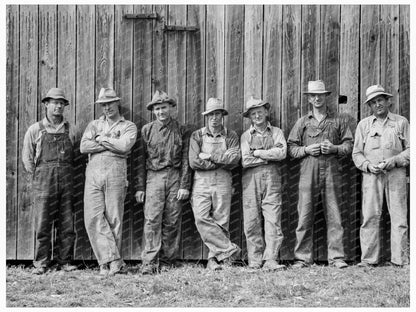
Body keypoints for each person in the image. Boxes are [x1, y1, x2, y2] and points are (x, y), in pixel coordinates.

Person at [287, 80, 353, 269]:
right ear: (309, 98)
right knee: (305, 215)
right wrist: (307, 150)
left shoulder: (339, 120)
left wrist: (334, 148)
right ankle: (302, 258)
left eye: (320, 95)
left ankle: (337, 257)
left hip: (332, 172)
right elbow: (291, 148)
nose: (317, 98)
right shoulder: (302, 122)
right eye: (313, 95)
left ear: (326, 97)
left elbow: (349, 145)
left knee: (334, 215)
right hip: (308, 172)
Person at [80, 87, 137, 276]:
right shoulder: (94, 124)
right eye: (103, 105)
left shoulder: (128, 126)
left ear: (117, 103)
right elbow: (83, 146)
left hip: (116, 173)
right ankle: (112, 259)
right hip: (94, 173)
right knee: (92, 216)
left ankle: (107, 265)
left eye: (109, 104)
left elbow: (124, 146)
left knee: (114, 218)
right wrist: (111, 143)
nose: (106, 108)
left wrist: (101, 139)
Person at [352, 85, 409, 267]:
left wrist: (395, 160)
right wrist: (367, 166)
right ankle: (369, 260)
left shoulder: (401, 122)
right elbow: (356, 153)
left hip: (396, 174)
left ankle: (400, 260)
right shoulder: (364, 125)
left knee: (399, 217)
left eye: (380, 100)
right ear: (370, 105)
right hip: (371, 176)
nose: (378, 104)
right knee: (369, 216)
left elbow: (411, 150)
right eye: (374, 102)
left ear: (387, 101)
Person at [135, 90, 191, 275]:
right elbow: (140, 160)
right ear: (153, 111)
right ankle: (149, 262)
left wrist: (184, 185)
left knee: (172, 219)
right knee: (152, 219)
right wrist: (140, 187)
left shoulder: (181, 130)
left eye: (164, 107)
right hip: (153, 177)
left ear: (171, 108)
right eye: (157, 109)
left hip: (174, 176)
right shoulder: (146, 130)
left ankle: (168, 261)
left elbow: (185, 161)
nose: (161, 112)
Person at [22, 87, 77, 274]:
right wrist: (38, 177)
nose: (58, 106)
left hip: (67, 182)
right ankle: (41, 263)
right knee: (42, 223)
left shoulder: (71, 130)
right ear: (46, 104)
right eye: (54, 103)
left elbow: (77, 156)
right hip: (44, 182)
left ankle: (65, 261)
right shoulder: (35, 129)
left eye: (61, 103)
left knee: (67, 223)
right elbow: (27, 159)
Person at [189, 98, 241, 271]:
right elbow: (194, 162)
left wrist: (210, 157)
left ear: (222, 116)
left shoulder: (231, 135)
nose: (214, 118)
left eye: (217, 114)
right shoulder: (197, 135)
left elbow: (233, 160)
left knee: (221, 220)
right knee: (201, 217)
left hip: (223, 180)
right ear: (206, 116)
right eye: (211, 114)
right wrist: (221, 160)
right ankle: (229, 250)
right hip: (201, 182)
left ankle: (214, 260)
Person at [240, 96, 287, 271]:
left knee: (273, 219)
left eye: (260, 112)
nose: (257, 116)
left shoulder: (276, 132)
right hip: (251, 180)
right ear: (250, 117)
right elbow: (245, 160)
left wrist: (258, 153)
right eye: (253, 113)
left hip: (272, 180)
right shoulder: (246, 136)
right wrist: (268, 156)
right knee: (251, 219)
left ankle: (271, 259)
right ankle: (254, 259)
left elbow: (282, 153)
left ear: (266, 112)